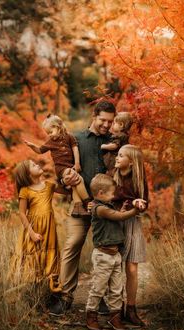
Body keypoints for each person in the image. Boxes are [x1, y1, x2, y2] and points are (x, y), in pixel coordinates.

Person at [49, 100, 116, 316]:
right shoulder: (76, 139)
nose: (107, 125)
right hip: (79, 204)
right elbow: (61, 169)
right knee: (72, 245)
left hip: (106, 209)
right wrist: (65, 178)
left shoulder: (114, 142)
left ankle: (103, 297)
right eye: (103, 120)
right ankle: (66, 296)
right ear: (94, 116)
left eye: (111, 121)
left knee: (106, 250)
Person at [86, 174, 145, 330]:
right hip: (103, 255)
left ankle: (114, 316)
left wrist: (123, 209)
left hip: (115, 255)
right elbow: (118, 216)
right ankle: (91, 314)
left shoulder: (109, 206)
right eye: (112, 193)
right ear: (100, 193)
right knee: (98, 287)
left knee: (116, 288)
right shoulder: (100, 209)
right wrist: (133, 210)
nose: (114, 196)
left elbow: (117, 217)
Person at [8, 159, 61, 292]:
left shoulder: (49, 185)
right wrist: (31, 233)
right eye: (33, 165)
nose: (37, 164)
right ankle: (30, 291)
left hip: (49, 229)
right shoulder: (25, 191)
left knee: (49, 253)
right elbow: (21, 213)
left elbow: (65, 187)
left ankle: (48, 289)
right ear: (27, 174)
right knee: (33, 255)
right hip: (33, 228)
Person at [24, 114, 91, 217]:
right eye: (47, 133)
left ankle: (78, 207)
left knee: (74, 185)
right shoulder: (50, 142)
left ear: (58, 127)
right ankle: (88, 202)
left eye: (50, 132)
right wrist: (33, 146)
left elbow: (75, 149)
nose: (49, 135)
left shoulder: (69, 137)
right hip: (61, 168)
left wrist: (77, 163)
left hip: (71, 166)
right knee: (78, 179)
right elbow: (40, 150)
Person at [112, 144, 149, 326]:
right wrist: (130, 200)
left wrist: (140, 203)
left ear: (132, 162)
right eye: (117, 155)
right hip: (115, 224)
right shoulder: (113, 176)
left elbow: (145, 201)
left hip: (132, 224)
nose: (117, 158)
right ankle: (116, 308)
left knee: (132, 269)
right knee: (116, 267)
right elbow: (113, 196)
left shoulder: (139, 179)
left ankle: (131, 309)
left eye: (121, 156)